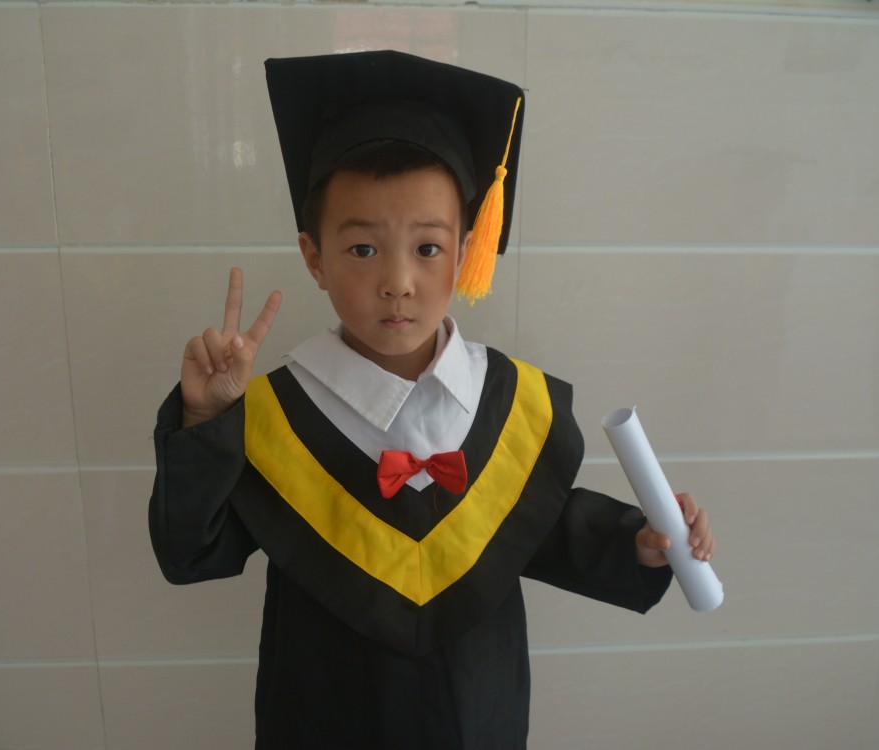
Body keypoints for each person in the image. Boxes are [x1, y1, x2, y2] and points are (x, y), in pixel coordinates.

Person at [149, 50, 715, 750]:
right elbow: (192, 553)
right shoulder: (273, 418)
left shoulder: (512, 401)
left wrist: (640, 543)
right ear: (314, 257)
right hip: (321, 721)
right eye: (363, 250)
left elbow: (540, 525)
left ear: (468, 250)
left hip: (477, 720)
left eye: (427, 248)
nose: (398, 281)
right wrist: (205, 419)